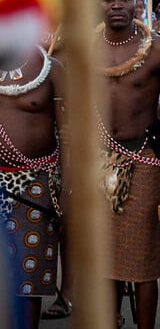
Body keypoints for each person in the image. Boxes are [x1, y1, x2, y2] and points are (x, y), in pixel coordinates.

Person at [97, 0, 160, 329]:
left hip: (144, 159)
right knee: (102, 257)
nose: (116, 5)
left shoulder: (158, 49)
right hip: (97, 159)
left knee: (144, 259)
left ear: (136, 3)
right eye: (109, 0)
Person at [0, 38, 65, 329]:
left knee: (29, 274)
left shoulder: (52, 69)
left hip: (37, 185)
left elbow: (71, 133)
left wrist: (70, 188)